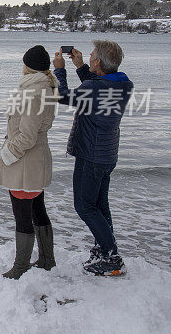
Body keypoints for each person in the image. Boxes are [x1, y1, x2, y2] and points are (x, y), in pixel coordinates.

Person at [53, 40, 133, 276]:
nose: (87, 58)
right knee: (99, 205)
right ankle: (104, 251)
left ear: (97, 62)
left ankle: (112, 257)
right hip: (107, 154)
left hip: (91, 154)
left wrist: (60, 69)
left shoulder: (96, 88)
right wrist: (80, 67)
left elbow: (63, 96)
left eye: (90, 56)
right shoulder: (123, 84)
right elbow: (94, 85)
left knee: (85, 207)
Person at [0, 45, 58, 279]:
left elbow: (27, 136)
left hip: (24, 162)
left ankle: (20, 267)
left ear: (27, 67)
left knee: (22, 215)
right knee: (38, 209)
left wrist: (7, 153)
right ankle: (46, 259)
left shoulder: (33, 94)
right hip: (35, 161)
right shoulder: (46, 88)